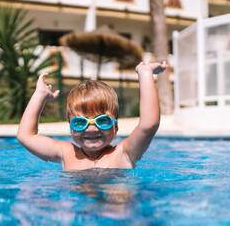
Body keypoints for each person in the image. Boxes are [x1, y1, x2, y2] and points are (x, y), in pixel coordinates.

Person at [17, 61, 168, 170]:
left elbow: (149, 125)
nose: (91, 129)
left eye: (102, 121)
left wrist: (145, 74)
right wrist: (40, 95)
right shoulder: (66, 153)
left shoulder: (124, 153)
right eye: (80, 122)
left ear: (115, 127)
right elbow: (26, 136)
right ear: (70, 127)